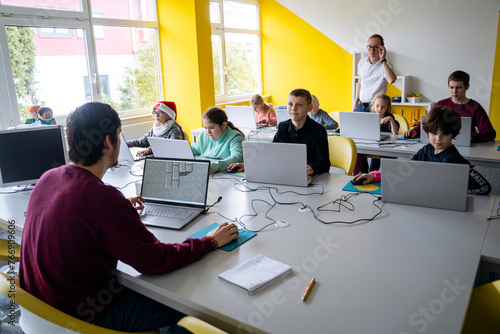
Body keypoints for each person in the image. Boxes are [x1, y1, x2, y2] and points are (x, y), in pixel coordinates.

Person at [19, 102, 239, 332]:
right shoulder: (102, 199)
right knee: (192, 306)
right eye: (118, 135)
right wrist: (210, 241)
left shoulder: (48, 177)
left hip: (40, 311)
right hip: (81, 319)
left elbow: (78, 216)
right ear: (108, 142)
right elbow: (156, 260)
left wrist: (117, 211)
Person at [354, 106, 491, 195]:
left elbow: (484, 187)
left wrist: (456, 192)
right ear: (427, 132)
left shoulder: (452, 159)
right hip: (424, 197)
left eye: (444, 134)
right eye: (434, 133)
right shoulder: (427, 150)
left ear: (453, 134)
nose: (438, 138)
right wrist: (375, 176)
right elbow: (405, 172)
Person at [228, 88, 330, 176]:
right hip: (284, 174)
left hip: (310, 177)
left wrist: (312, 168)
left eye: (299, 105)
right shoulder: (282, 127)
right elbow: (272, 153)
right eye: (290, 104)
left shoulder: (318, 130)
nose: (293, 108)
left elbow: (324, 164)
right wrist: (249, 164)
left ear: (309, 108)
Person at [404, 71, 496, 142]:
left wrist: (471, 137)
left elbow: (490, 133)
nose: (454, 92)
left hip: (465, 147)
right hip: (441, 145)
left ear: (467, 86)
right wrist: (416, 131)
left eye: (459, 88)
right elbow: (426, 123)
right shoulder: (440, 104)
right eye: (451, 87)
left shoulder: (475, 107)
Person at [191, 107, 244, 174]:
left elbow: (237, 158)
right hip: (206, 173)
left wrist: (213, 167)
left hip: (226, 177)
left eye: (211, 128)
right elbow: (192, 150)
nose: (208, 132)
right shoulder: (203, 134)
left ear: (224, 125)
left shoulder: (235, 136)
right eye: (205, 127)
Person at [355, 94, 399, 174]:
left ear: (387, 107)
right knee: (358, 150)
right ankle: (362, 172)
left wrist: (392, 120)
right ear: (373, 105)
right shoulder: (370, 116)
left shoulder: (388, 117)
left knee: (378, 153)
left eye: (383, 107)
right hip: (370, 141)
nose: (380, 109)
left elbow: (395, 132)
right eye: (377, 106)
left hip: (383, 144)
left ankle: (372, 172)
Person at [352, 34, 397, 113]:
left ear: (382, 48)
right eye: (370, 46)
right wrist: (355, 104)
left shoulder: (386, 65)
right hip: (361, 105)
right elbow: (360, 83)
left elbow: (391, 80)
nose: (372, 50)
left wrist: (383, 59)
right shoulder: (362, 62)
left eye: (376, 47)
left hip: (376, 108)